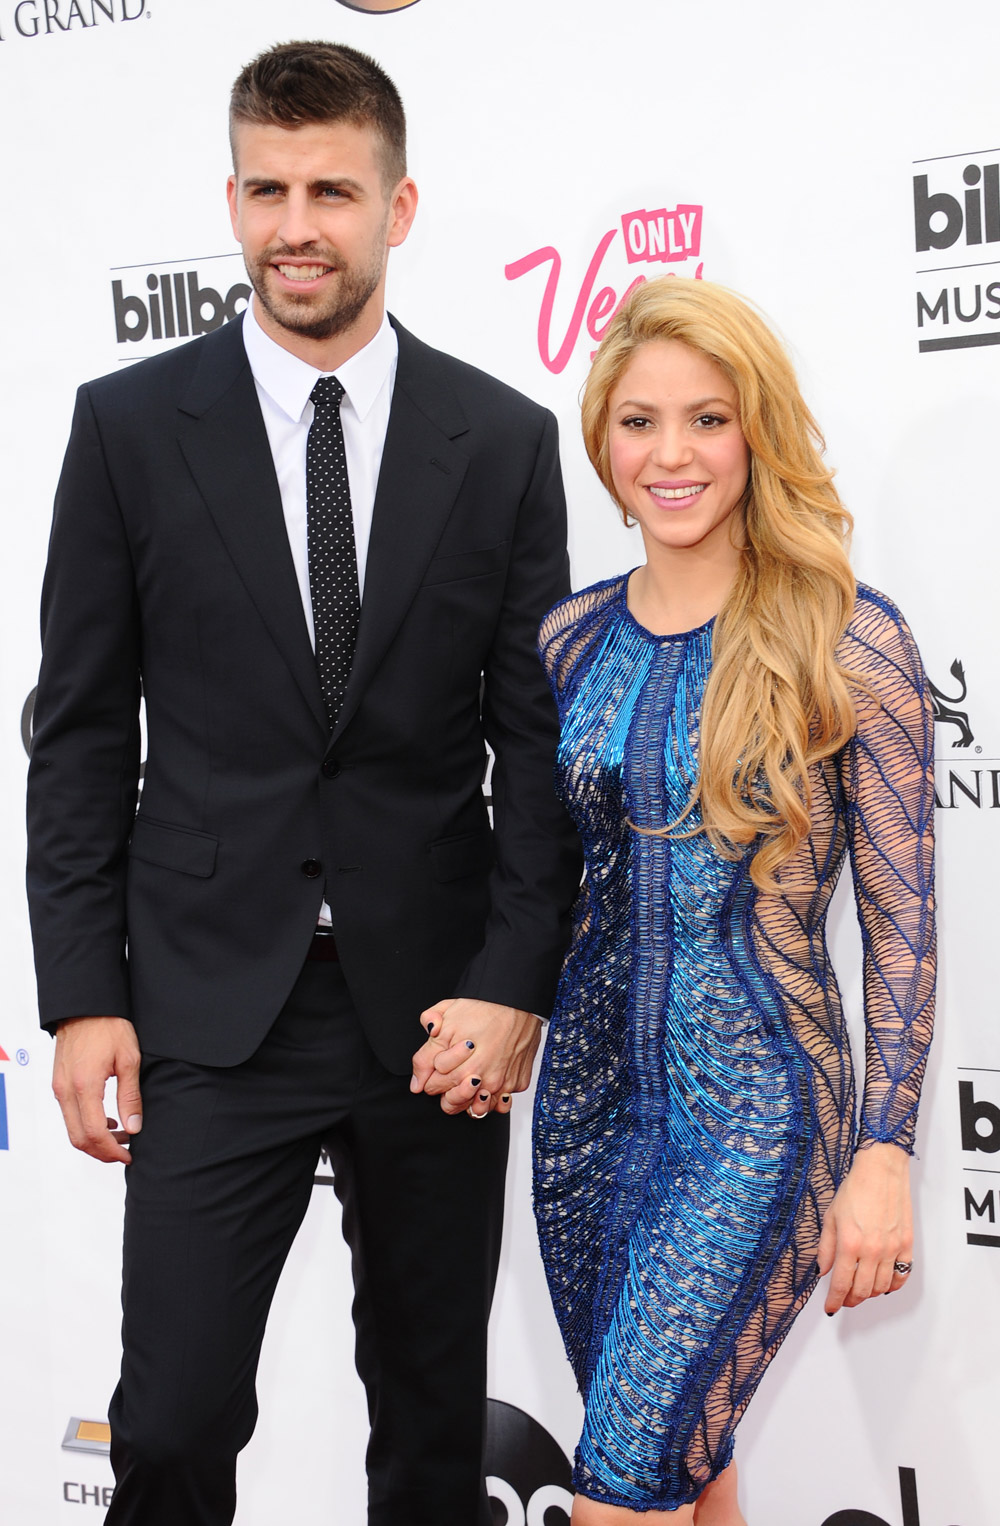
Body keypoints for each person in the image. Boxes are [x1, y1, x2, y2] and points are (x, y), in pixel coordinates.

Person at [26, 40, 580, 1526]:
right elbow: (77, 731)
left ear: (398, 207)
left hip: (435, 1008)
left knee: (427, 1423)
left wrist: (514, 977)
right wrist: (83, 992)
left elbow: (533, 745)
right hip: (208, 1007)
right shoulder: (130, 429)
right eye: (267, 188)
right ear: (230, 196)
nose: (296, 225)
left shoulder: (505, 443)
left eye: (332, 189)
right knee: (176, 1414)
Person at [533, 277, 936, 1524]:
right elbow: (557, 886)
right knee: (686, 1471)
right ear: (602, 438)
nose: (671, 454)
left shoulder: (845, 639)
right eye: (639, 421)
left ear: (755, 431)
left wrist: (883, 1147)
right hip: (585, 1119)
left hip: (756, 1118)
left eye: (707, 418)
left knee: (618, 1486)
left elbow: (899, 922)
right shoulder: (570, 636)